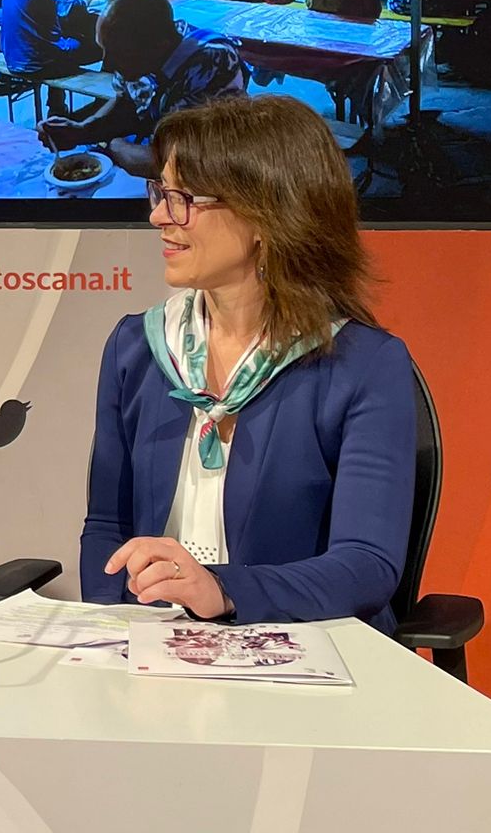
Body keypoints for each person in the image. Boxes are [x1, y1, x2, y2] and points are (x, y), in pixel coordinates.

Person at [80, 95, 416, 632]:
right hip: (159, 648)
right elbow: (106, 529)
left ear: (266, 214)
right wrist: (114, 636)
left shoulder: (364, 365)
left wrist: (222, 591)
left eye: (183, 199)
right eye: (160, 193)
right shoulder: (137, 346)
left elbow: (366, 565)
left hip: (303, 648)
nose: (158, 216)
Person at [36, 0, 245, 177]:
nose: (109, 63)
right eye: (105, 49)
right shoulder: (134, 51)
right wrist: (82, 130)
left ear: (160, 45)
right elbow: (127, 103)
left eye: (120, 54)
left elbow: (181, 164)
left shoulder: (211, 62)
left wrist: (116, 146)